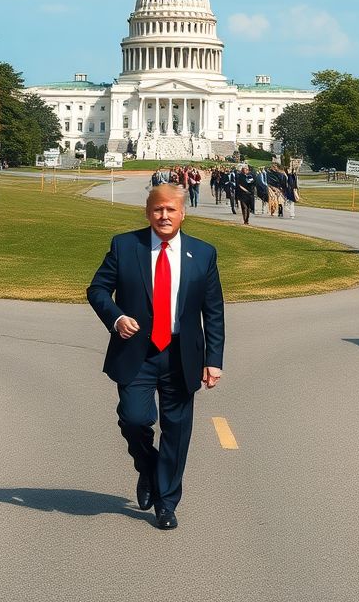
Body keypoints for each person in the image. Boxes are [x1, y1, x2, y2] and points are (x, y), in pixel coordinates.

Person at [87, 184, 225, 530]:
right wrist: (117, 317)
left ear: (183, 213)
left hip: (182, 354)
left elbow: (213, 311)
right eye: (158, 210)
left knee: (177, 431)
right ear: (148, 212)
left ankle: (166, 503)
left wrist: (214, 359)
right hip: (138, 351)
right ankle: (147, 467)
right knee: (134, 419)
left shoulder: (203, 254)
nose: (164, 216)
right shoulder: (125, 245)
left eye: (171, 210)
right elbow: (98, 289)